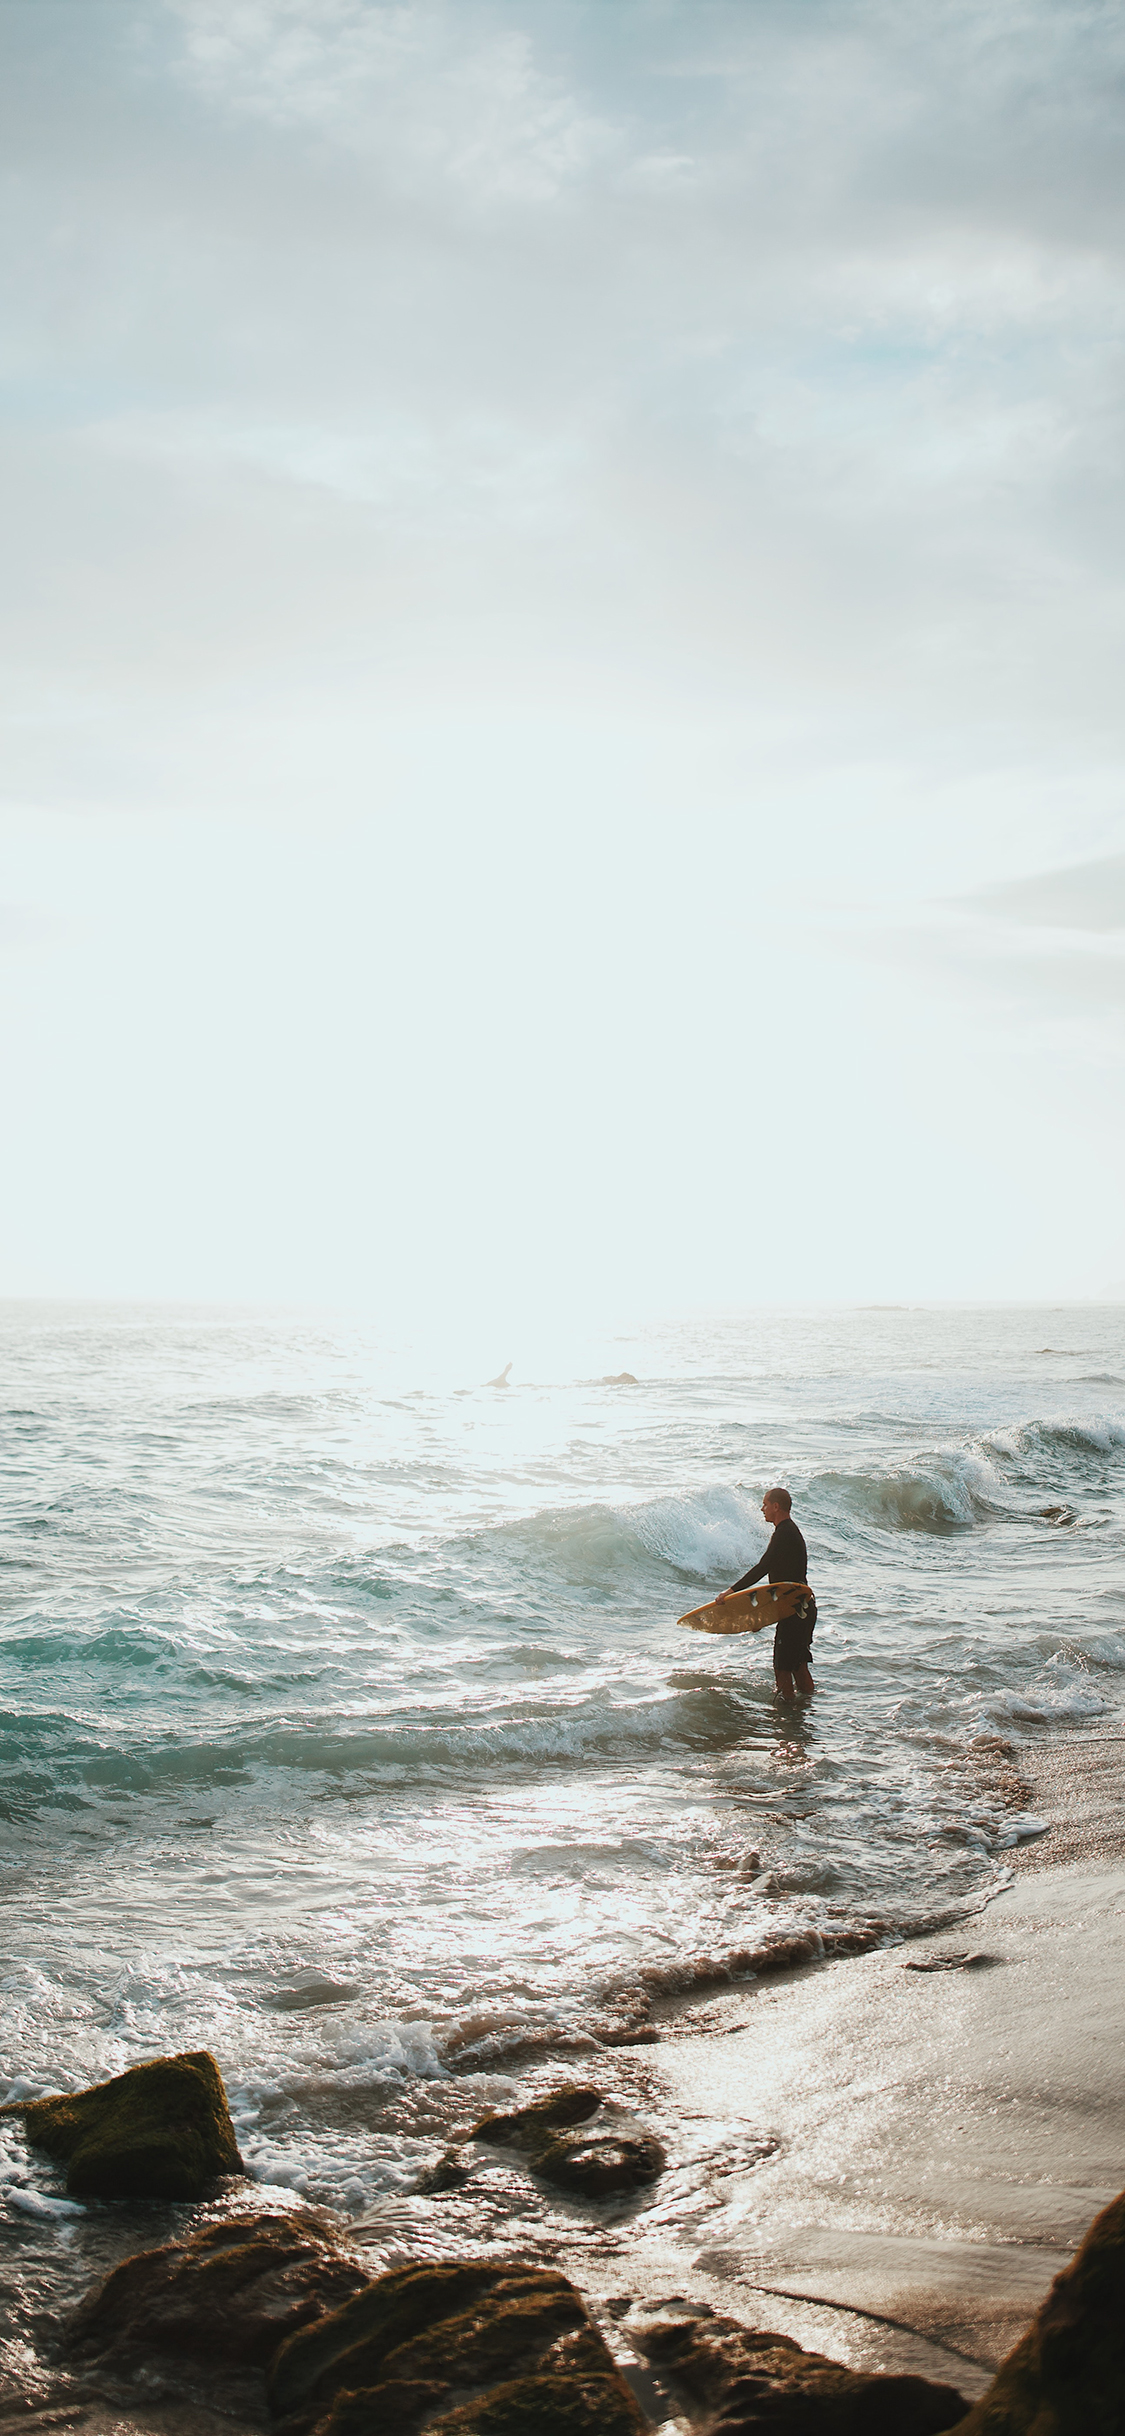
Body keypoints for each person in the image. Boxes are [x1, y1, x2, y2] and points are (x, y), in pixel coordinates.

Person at [715, 1487, 815, 1700]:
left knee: (783, 1669)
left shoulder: (784, 1533)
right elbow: (785, 1586)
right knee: (798, 1666)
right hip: (802, 1608)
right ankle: (805, 1713)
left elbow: (763, 1567)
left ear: (776, 1506)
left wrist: (731, 1592)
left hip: (795, 1611)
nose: (762, 1509)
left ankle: (786, 1721)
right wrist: (764, 1615)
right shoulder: (790, 1532)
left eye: (765, 1504)